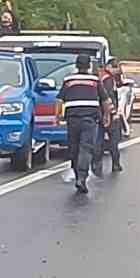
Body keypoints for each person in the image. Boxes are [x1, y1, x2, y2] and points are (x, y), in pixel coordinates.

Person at [59, 53, 108, 194]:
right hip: (90, 119)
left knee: (73, 148)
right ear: (89, 66)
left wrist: (58, 116)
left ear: (76, 65)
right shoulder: (95, 80)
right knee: (86, 148)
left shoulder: (68, 80)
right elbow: (105, 100)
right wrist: (106, 116)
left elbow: (59, 100)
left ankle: (77, 175)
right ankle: (82, 177)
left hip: (72, 119)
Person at [93, 58, 126, 175]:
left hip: (97, 113)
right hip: (108, 114)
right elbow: (107, 98)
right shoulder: (108, 80)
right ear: (109, 66)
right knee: (114, 139)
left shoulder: (100, 77)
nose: (118, 71)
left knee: (98, 139)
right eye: (117, 68)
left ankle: (96, 165)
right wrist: (111, 114)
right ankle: (115, 164)